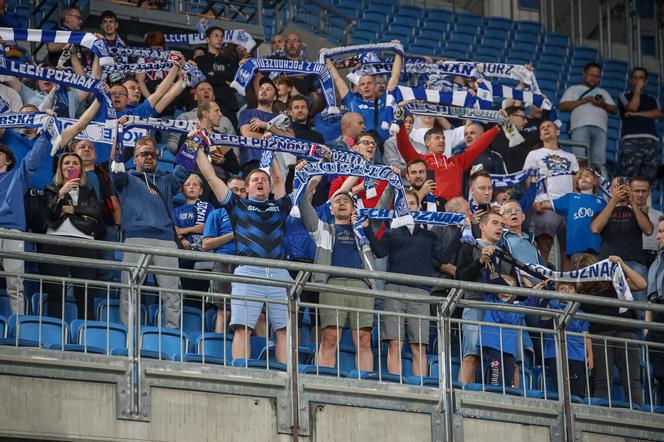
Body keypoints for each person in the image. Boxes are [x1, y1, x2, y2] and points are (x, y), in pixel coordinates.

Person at [195, 142, 293, 364]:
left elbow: (279, 179)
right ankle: (242, 373)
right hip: (248, 271)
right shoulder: (237, 205)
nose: (260, 182)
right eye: (255, 180)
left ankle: (286, 379)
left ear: (268, 188)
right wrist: (198, 149)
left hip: (279, 273)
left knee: (285, 330)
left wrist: (272, 148)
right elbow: (211, 178)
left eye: (263, 179)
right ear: (247, 188)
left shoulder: (280, 206)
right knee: (243, 328)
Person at [364, 189, 446, 376]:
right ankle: (395, 384)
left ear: (419, 207)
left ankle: (422, 388)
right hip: (394, 290)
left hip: (421, 292)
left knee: (419, 345)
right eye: (403, 204)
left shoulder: (429, 235)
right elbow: (380, 252)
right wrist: (367, 228)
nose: (408, 207)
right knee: (395, 342)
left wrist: (460, 231)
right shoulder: (392, 233)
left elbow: (443, 257)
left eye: (412, 203)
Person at [299, 174, 376, 371]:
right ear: (330, 209)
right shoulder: (323, 229)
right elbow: (304, 208)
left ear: (353, 208)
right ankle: (323, 382)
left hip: (362, 287)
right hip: (331, 285)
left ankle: (365, 386)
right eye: (337, 201)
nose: (341, 203)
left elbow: (384, 205)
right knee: (330, 337)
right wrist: (301, 179)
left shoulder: (364, 230)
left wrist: (392, 184)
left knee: (364, 340)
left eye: (346, 201)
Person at [112, 135, 189, 329]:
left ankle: (173, 335)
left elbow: (184, 169)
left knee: (172, 293)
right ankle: (128, 336)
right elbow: (116, 164)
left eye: (153, 155)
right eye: (144, 154)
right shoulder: (125, 178)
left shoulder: (166, 180)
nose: (148, 158)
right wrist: (118, 133)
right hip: (135, 238)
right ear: (135, 157)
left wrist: (193, 142)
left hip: (165, 241)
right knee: (129, 291)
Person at [0, 116, 61, 315]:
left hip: (12, 232)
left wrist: (46, 133)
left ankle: (18, 327)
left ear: (8, 160)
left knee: (15, 285)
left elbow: (34, 157)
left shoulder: (17, 176)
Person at [576, 253, 646, 405]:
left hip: (624, 332)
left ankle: (638, 414)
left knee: (631, 379)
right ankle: (602, 415)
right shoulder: (579, 292)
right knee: (603, 379)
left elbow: (641, 284)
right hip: (600, 335)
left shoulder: (614, 281)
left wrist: (622, 264)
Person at [455, 211, 516, 385]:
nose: (500, 227)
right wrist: (480, 261)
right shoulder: (470, 247)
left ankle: (512, 398)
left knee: (509, 359)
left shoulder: (506, 255)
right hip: (476, 305)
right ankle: (463, 396)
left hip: (501, 312)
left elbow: (514, 285)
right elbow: (461, 277)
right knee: (472, 355)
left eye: (502, 225)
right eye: (495, 223)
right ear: (482, 226)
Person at [42, 152, 103, 321]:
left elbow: (96, 215)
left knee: (85, 293)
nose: (71, 166)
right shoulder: (51, 189)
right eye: (66, 163)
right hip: (55, 241)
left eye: (75, 163)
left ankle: (87, 335)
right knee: (55, 291)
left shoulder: (89, 191)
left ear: (81, 169)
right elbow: (49, 215)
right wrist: (61, 193)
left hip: (84, 244)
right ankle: (55, 331)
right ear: (60, 168)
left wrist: (72, 210)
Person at [591, 177, 653, 316]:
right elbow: (595, 228)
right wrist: (614, 200)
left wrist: (631, 201)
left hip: (634, 263)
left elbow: (648, 230)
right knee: (608, 306)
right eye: (617, 187)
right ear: (611, 190)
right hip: (608, 263)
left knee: (641, 308)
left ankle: (642, 337)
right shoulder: (601, 212)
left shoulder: (638, 212)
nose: (621, 190)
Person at [397, 124, 501, 203]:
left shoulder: (457, 162)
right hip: (432, 209)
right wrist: (399, 123)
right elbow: (404, 146)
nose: (442, 141)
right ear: (427, 142)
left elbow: (477, 147)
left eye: (443, 138)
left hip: (455, 210)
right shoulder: (420, 161)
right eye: (437, 138)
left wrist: (496, 128)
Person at [526, 120, 579, 269]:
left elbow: (576, 183)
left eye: (549, 126)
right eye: (542, 128)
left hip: (569, 208)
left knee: (568, 252)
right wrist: (534, 201)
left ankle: (565, 289)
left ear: (557, 132)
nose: (545, 128)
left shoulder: (571, 157)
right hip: (545, 205)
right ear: (540, 136)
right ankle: (543, 286)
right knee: (544, 247)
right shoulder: (534, 154)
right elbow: (529, 182)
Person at [325, 41, 402, 143]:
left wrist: (398, 51)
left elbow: (395, 76)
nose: (366, 86)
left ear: (376, 86)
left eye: (369, 83)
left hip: (385, 147)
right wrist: (326, 58)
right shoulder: (352, 100)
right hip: (359, 146)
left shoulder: (386, 100)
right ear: (359, 90)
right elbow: (337, 79)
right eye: (362, 84)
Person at [71, 139, 122, 284]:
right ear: (74, 153)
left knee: (106, 269)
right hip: (78, 225)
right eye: (82, 147)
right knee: (78, 269)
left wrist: (116, 227)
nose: (86, 149)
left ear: (95, 155)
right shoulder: (70, 173)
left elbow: (114, 202)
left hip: (105, 225)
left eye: (90, 148)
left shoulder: (104, 174)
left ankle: (101, 303)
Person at [202, 176, 245, 333]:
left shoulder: (254, 214)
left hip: (247, 264)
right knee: (224, 311)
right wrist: (233, 235)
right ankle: (219, 350)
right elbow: (206, 244)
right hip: (223, 263)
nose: (239, 194)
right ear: (227, 191)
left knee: (251, 312)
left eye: (242, 190)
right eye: (234, 190)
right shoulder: (217, 214)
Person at [480, 275, 538, 388]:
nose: (505, 291)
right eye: (502, 287)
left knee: (509, 377)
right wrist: (489, 263)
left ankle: (507, 397)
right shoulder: (490, 299)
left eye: (509, 288)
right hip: (493, 344)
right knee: (496, 375)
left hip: (510, 347)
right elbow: (487, 280)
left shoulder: (518, 307)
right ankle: (495, 395)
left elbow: (531, 302)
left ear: (514, 293)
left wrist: (531, 286)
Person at [559, 62, 617, 172]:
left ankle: (598, 186)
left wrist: (602, 104)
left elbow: (614, 109)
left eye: (596, 76)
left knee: (598, 162)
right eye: (591, 75)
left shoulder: (603, 92)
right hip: (580, 125)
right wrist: (582, 101)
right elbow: (562, 106)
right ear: (584, 74)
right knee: (580, 159)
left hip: (600, 128)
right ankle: (580, 184)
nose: (593, 78)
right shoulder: (573, 89)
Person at [540, 168, 606, 260]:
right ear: (576, 183)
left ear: (595, 181)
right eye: (579, 177)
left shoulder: (602, 202)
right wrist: (539, 203)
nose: (583, 178)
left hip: (596, 247)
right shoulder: (570, 198)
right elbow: (548, 204)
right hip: (575, 248)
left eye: (587, 176)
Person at [541, 282, 593, 398]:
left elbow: (586, 335)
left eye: (570, 288)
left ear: (575, 291)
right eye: (562, 288)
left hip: (577, 356)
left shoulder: (581, 313)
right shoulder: (551, 304)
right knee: (561, 390)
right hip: (556, 354)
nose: (566, 290)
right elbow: (543, 319)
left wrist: (590, 356)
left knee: (577, 392)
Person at [237, 77, 295, 171]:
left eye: (268, 89)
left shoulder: (281, 117)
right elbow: (247, 135)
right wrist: (274, 139)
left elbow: (291, 138)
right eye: (261, 89)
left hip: (277, 164)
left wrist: (267, 126)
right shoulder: (247, 113)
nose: (263, 91)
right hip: (253, 162)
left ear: (275, 97)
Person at [165, 81, 235, 154]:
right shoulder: (184, 117)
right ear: (195, 96)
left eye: (209, 89)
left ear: (214, 97)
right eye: (202, 89)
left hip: (217, 163)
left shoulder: (225, 121)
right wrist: (189, 153)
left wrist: (222, 159)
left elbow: (234, 148)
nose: (206, 91)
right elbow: (172, 144)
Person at [618, 67, 662, 180]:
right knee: (629, 174)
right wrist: (637, 90)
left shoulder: (652, 99)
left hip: (650, 139)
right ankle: (626, 197)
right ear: (630, 80)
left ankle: (647, 198)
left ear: (646, 82)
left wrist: (637, 114)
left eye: (641, 78)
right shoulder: (624, 95)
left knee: (649, 176)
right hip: (631, 140)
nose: (638, 80)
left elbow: (657, 113)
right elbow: (632, 108)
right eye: (635, 77)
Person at [173, 174, 213, 294]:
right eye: (187, 184)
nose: (191, 187)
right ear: (182, 189)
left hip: (203, 255)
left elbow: (206, 228)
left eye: (195, 185)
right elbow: (175, 231)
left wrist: (184, 231)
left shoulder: (208, 207)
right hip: (184, 256)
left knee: (201, 293)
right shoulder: (175, 210)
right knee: (187, 292)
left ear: (200, 191)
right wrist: (181, 239)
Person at [194, 26, 240, 129]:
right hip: (209, 105)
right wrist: (225, 81)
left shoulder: (229, 60)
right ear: (207, 39)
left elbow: (234, 78)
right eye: (216, 36)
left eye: (221, 37)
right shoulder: (201, 59)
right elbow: (204, 78)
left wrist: (215, 74)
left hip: (229, 105)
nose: (219, 39)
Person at [491, 106, 541, 173]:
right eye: (523, 118)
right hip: (500, 180)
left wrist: (507, 122)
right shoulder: (494, 134)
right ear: (511, 117)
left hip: (520, 179)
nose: (526, 121)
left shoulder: (525, 137)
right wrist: (506, 121)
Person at [630, 177, 663, 266]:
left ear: (649, 192)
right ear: (629, 192)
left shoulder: (659, 215)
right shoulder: (621, 214)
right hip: (631, 258)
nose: (640, 195)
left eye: (644, 191)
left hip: (655, 259)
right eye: (637, 191)